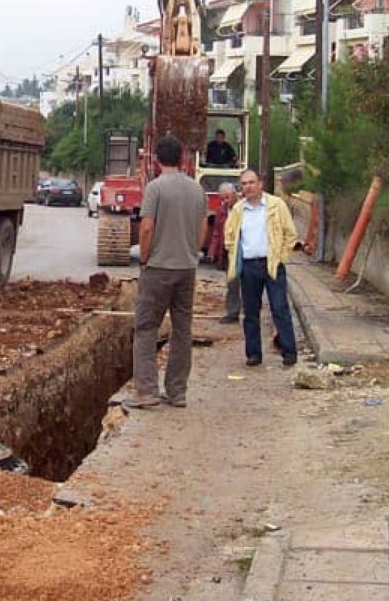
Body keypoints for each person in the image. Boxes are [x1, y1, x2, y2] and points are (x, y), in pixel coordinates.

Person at [127, 134, 208, 409]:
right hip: (187, 268)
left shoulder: (155, 188)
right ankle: (177, 392)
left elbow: (147, 227)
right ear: (183, 159)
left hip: (158, 268)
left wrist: (145, 257)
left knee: (146, 328)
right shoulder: (197, 189)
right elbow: (203, 228)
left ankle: (147, 391)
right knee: (183, 330)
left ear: (157, 159)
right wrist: (192, 252)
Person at [224, 168, 300, 367]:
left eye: (251, 182)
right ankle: (253, 354)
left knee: (279, 308)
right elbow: (230, 237)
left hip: (272, 264)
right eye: (244, 184)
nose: (248, 187)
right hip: (249, 266)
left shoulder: (276, 206)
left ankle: (289, 351)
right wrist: (235, 256)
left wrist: (281, 257)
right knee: (250, 312)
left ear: (260, 184)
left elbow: (290, 234)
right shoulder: (239, 210)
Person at [207, 182, 241, 323]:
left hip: (243, 251)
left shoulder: (244, 208)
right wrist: (212, 251)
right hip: (228, 252)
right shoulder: (221, 211)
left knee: (248, 283)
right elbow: (217, 232)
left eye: (227, 197)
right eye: (223, 198)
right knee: (232, 283)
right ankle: (233, 313)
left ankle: (251, 312)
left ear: (234, 194)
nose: (225, 201)